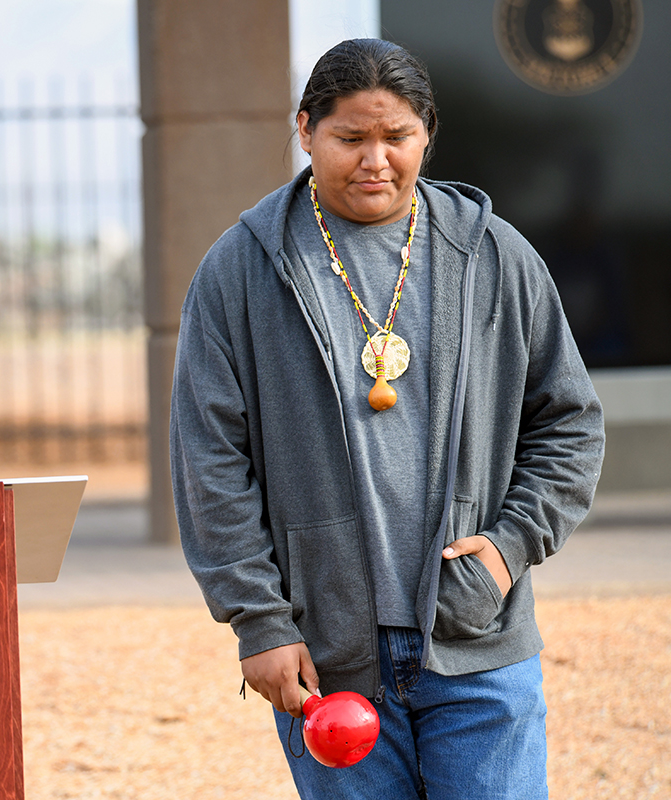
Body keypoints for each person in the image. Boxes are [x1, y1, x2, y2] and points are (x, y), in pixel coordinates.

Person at [169, 39, 604, 799]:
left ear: (427, 133)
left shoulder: (495, 257)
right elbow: (211, 460)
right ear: (306, 130)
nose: (376, 160)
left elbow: (570, 424)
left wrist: (506, 550)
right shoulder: (238, 271)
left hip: (480, 642)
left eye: (397, 137)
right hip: (328, 654)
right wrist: (260, 622)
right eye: (350, 138)